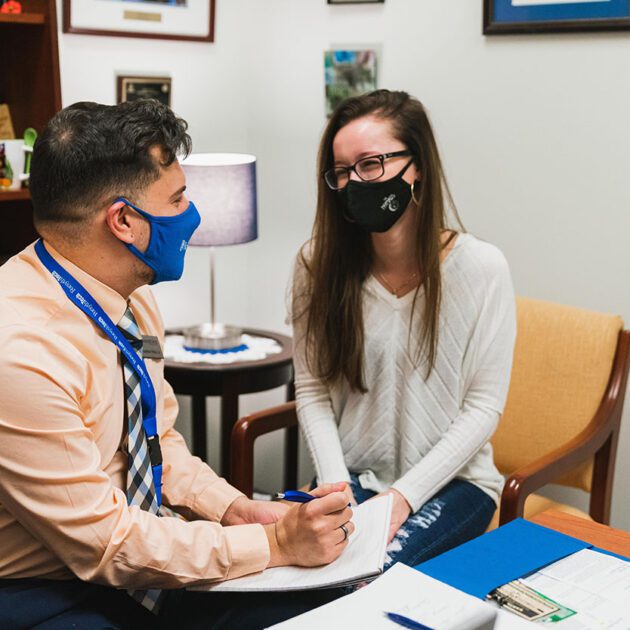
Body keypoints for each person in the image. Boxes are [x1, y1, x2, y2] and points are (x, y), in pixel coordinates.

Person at [0, 100, 354, 629]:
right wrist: (274, 542)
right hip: (39, 587)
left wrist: (234, 509)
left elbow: (156, 442)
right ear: (123, 220)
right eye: (178, 198)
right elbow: (104, 542)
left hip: (133, 550)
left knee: (316, 609)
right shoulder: (19, 353)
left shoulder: (132, 297)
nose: (192, 214)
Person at [290, 89, 516, 569]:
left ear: (417, 167)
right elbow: (312, 390)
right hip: (348, 476)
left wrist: (401, 499)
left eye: (371, 164)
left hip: (456, 484)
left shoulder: (482, 268)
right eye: (343, 171)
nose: (356, 182)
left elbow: (483, 407)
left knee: (367, 575)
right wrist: (337, 489)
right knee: (291, 576)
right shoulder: (316, 264)